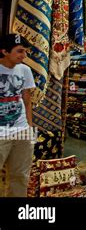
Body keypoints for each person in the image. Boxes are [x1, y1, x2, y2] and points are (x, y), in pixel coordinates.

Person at [0, 34, 36, 197]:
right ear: (4, 51)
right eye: (19, 51)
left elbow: (27, 100)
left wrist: (29, 128)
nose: (24, 55)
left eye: (25, 51)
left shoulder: (25, 70)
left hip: (21, 130)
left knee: (20, 177)